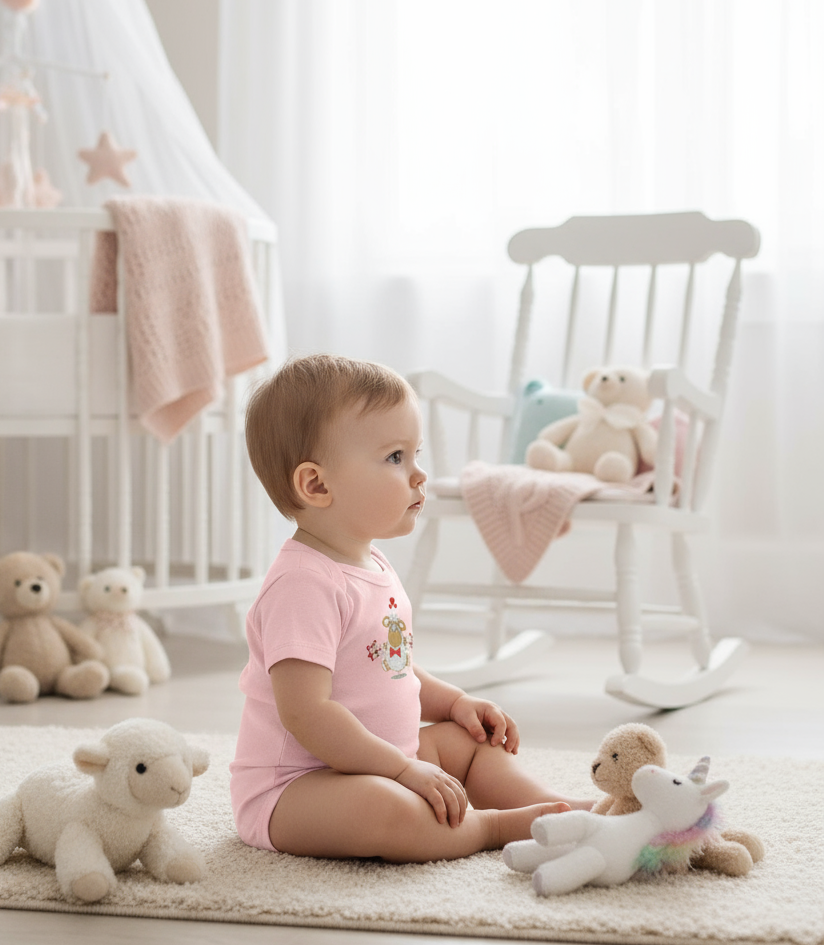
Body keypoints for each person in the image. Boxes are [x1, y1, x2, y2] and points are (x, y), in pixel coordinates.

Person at [230, 354, 591, 861]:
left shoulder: (372, 562)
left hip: (381, 759)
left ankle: (558, 808)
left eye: (414, 454)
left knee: (469, 746)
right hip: (298, 789)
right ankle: (493, 828)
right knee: (389, 812)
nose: (419, 475)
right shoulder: (301, 584)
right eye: (395, 458)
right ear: (317, 485)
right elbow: (307, 713)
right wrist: (402, 772)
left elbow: (389, 665)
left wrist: (453, 703)